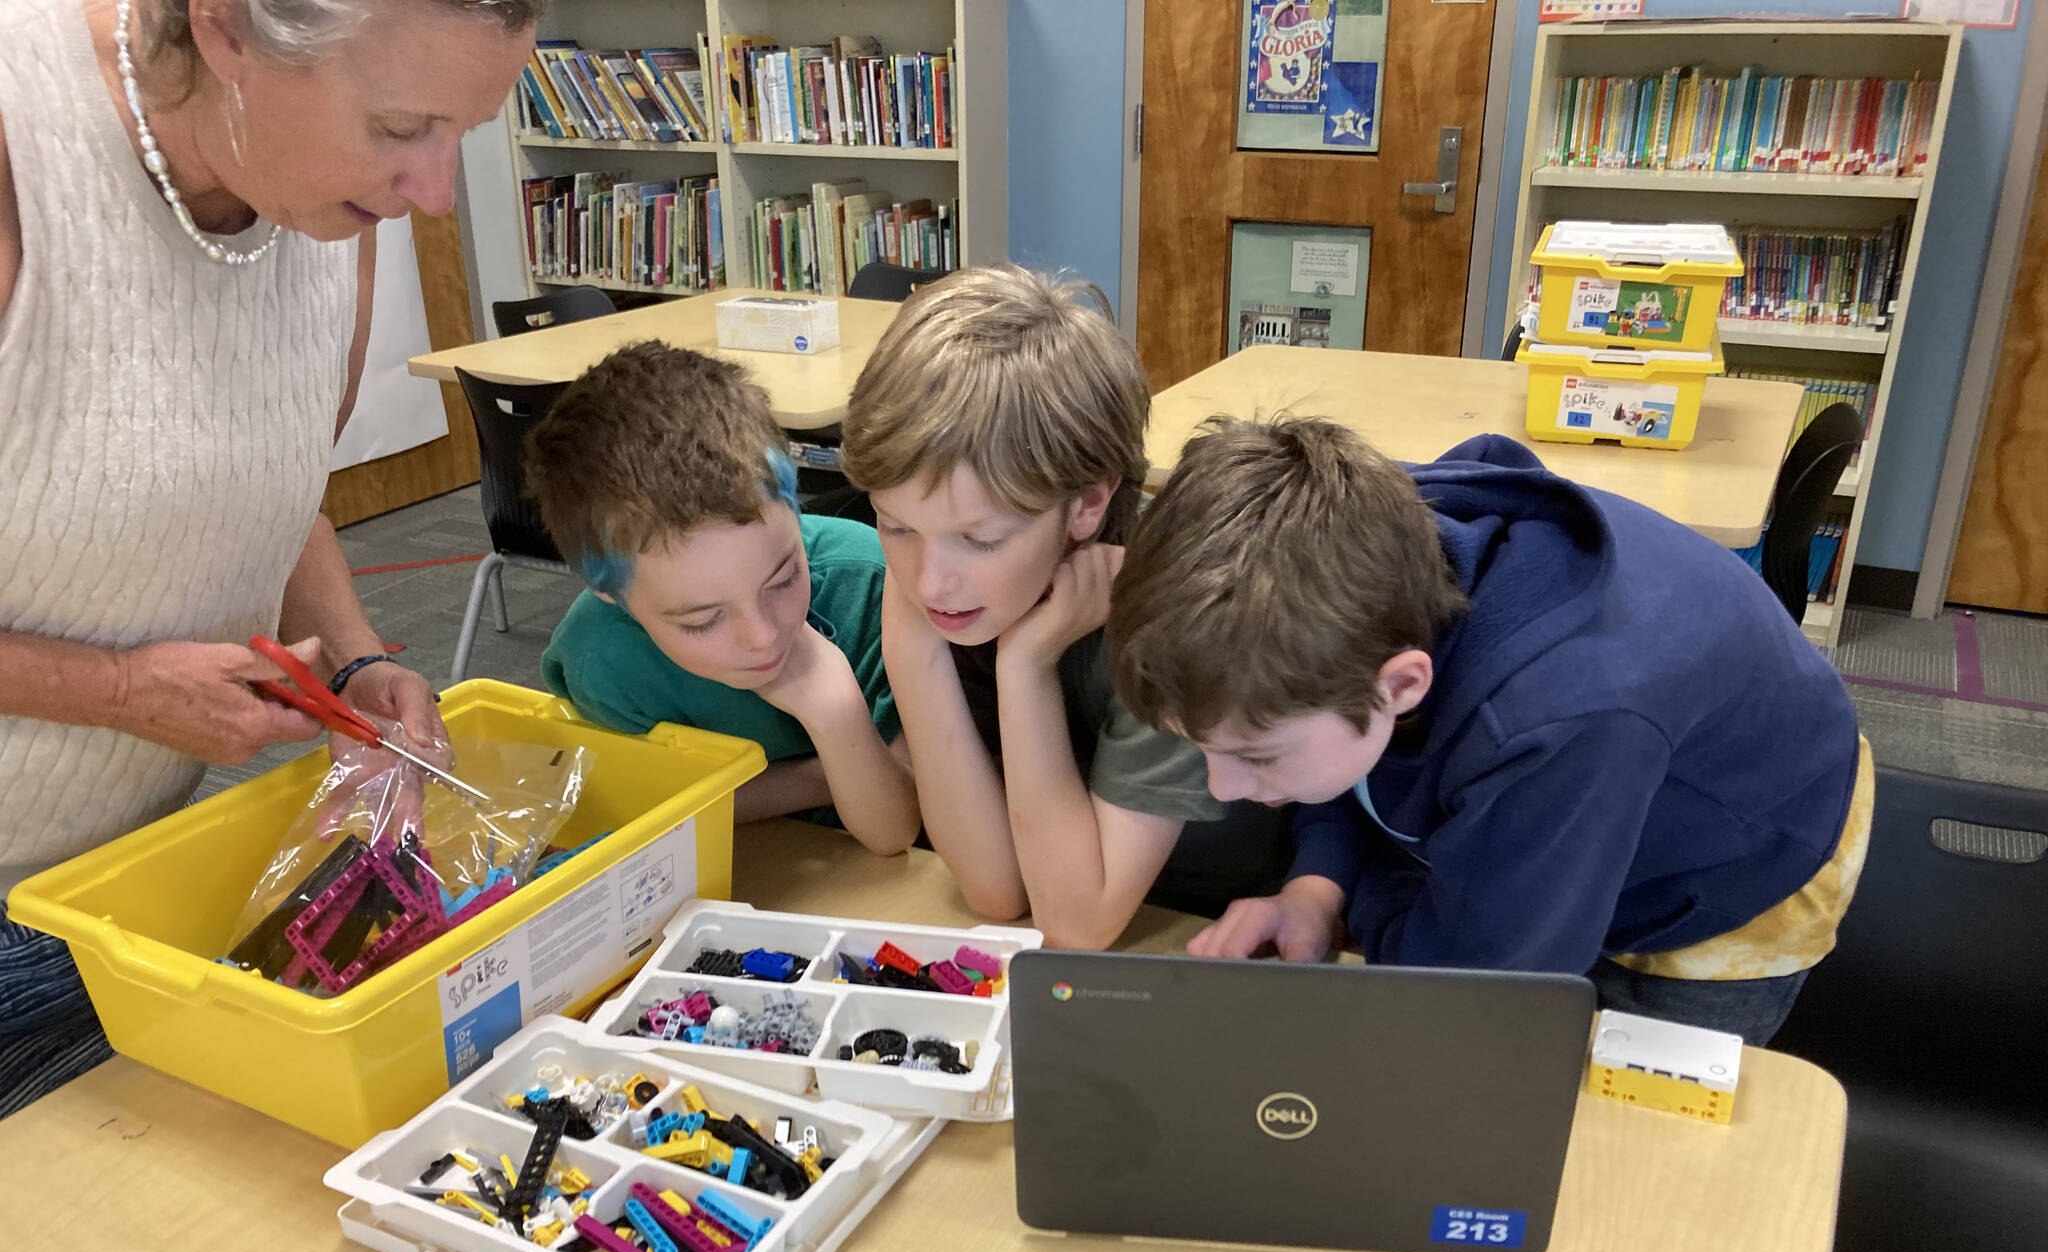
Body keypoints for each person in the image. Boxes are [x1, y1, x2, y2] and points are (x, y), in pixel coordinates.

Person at [0, 0, 538, 1107]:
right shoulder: (25, 143)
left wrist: (351, 659)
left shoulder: (327, 206)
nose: (433, 191)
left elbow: (277, 493)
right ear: (225, 32)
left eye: (461, 134)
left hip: (109, 876)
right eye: (398, 127)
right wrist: (111, 690)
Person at [1106, 418, 1872, 1044]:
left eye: (1256, 756)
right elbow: (1350, 748)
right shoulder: (1361, 562)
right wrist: (1317, 885)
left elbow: (1486, 984)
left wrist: (1397, 905)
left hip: (1741, 847)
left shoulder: (1559, 722)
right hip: (1588, 773)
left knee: (1619, 1149)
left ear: (1402, 684)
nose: (1221, 787)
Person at [838, 265, 1292, 949]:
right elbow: (993, 890)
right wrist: (912, 650)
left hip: (1197, 939)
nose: (930, 583)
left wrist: (1025, 665)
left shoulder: (1177, 616)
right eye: (894, 526)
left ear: (1087, 502)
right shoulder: (946, 592)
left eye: (981, 539)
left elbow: (1077, 925)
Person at [526, 342, 919, 856]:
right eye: (701, 621)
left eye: (783, 578)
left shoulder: (874, 583)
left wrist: (837, 713)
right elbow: (653, 811)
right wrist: (828, 774)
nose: (762, 636)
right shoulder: (600, 660)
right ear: (610, 595)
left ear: (795, 511)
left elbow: (895, 831)